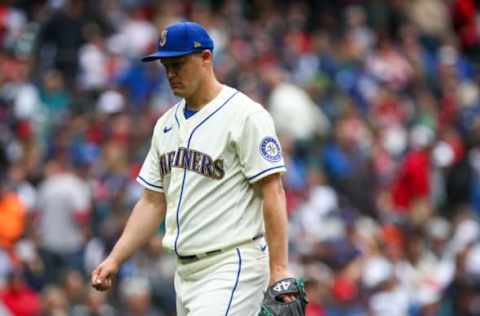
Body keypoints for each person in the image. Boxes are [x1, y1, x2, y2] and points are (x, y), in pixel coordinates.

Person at [91, 21, 294, 315]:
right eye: (166, 65)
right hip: (184, 273)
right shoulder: (165, 125)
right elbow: (152, 201)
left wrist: (279, 269)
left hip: (232, 264)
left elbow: (273, 191)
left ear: (206, 58)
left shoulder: (246, 115)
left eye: (179, 63)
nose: (171, 73)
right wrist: (115, 258)